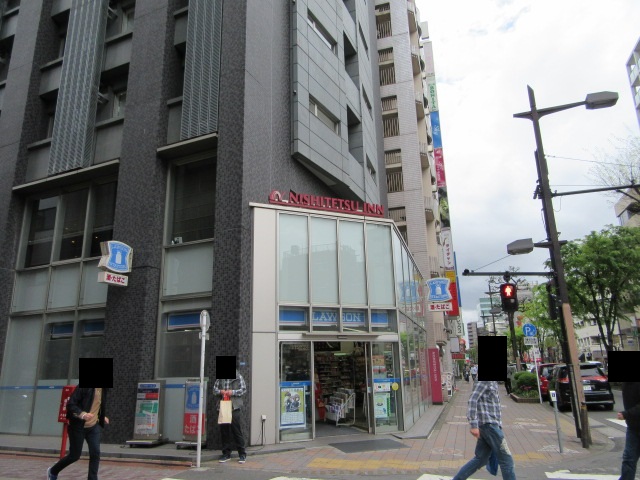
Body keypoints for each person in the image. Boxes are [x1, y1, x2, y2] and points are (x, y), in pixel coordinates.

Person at [452, 381, 516, 480]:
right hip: (490, 426)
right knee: (507, 460)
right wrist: (473, 424)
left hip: (489, 425)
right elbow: (473, 400)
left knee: (481, 459)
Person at [47, 387, 109, 480]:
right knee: (74, 456)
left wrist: (101, 416)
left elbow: (97, 405)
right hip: (78, 426)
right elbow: (71, 404)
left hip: (93, 426)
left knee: (95, 453)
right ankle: (53, 471)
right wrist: (82, 414)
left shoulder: (104, 389)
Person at [214, 369, 248, 464]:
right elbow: (214, 390)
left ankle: (242, 454)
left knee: (236, 431)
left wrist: (232, 392)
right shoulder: (220, 378)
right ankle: (226, 454)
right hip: (223, 407)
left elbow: (243, 390)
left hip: (234, 407)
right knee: (224, 431)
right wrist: (221, 391)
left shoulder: (238, 376)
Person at [617, 382, 640, 480]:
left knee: (629, 459)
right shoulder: (626, 384)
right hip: (633, 427)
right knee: (628, 459)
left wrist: (627, 414)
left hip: (633, 425)